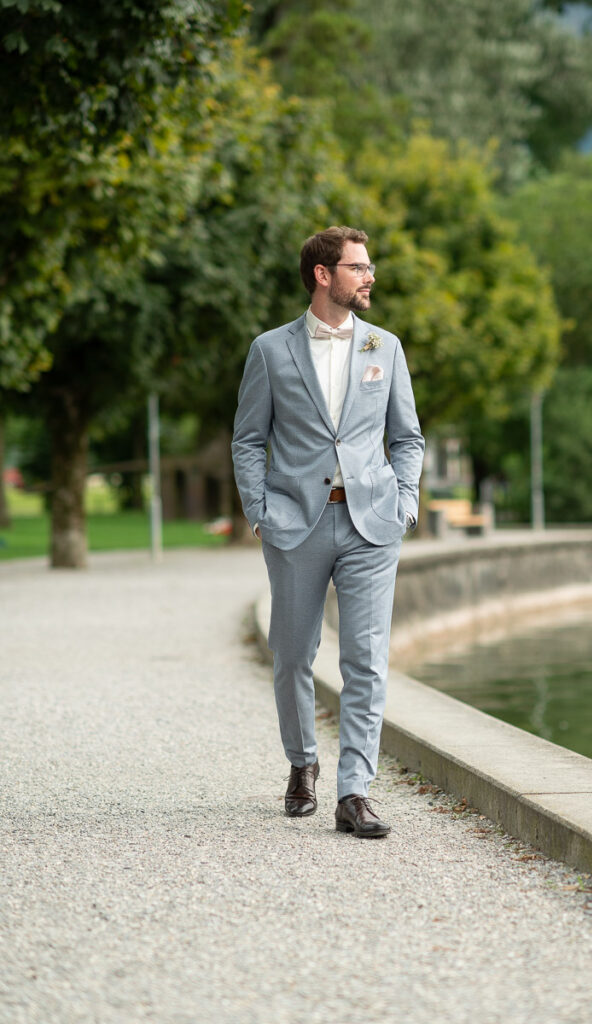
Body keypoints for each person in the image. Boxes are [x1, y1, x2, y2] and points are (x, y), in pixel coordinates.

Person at [232, 226, 425, 838]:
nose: (369, 276)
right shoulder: (269, 349)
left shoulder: (385, 347)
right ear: (323, 275)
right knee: (292, 655)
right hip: (296, 522)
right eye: (358, 267)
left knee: (366, 660)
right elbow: (247, 440)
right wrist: (261, 509)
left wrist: (407, 501)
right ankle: (302, 762)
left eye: (369, 267)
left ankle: (355, 792)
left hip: (372, 522)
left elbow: (407, 436)